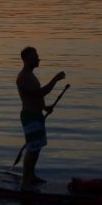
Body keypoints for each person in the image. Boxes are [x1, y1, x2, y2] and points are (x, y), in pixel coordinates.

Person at [16, 47, 64, 190]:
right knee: (32, 149)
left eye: (37, 56)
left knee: (36, 148)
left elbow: (35, 97)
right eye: (35, 57)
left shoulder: (31, 75)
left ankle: (31, 175)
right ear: (26, 60)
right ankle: (25, 182)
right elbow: (39, 93)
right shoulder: (24, 77)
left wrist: (44, 108)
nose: (38, 59)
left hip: (36, 115)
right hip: (30, 116)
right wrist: (54, 80)